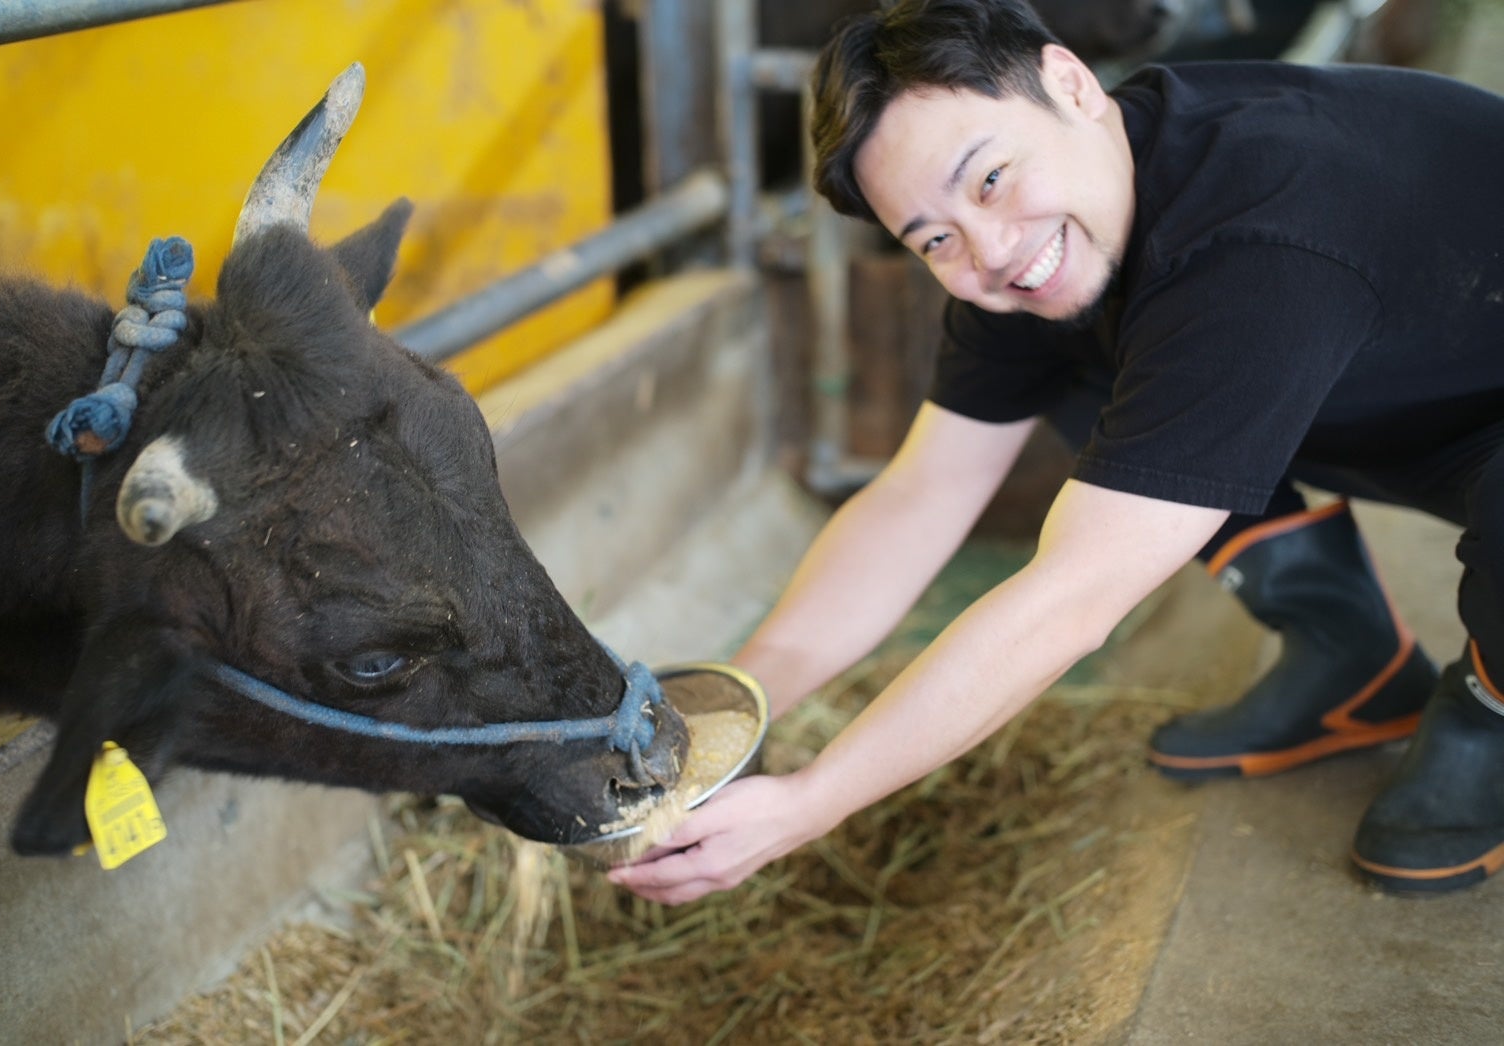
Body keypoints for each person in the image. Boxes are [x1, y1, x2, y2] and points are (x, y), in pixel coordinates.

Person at [608, 0, 1504, 904]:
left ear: (1070, 84)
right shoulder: (1072, 210)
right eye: (934, 239)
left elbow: (1075, 598)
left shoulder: (1258, 231)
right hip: (1433, 398)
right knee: (1094, 367)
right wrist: (740, 699)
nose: (992, 252)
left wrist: (812, 802)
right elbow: (923, 492)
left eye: (990, 179)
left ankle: (1486, 716)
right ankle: (1351, 661)